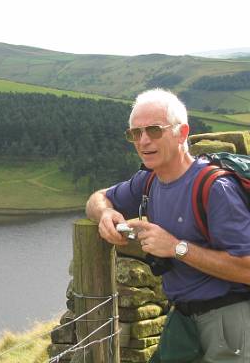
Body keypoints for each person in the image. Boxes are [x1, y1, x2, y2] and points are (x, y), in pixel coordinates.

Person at [85, 88, 250, 362]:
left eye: (154, 130)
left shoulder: (214, 188)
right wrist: (105, 215)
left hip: (231, 317)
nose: (143, 140)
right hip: (184, 316)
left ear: (182, 133)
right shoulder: (149, 180)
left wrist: (176, 248)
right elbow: (97, 198)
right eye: (135, 133)